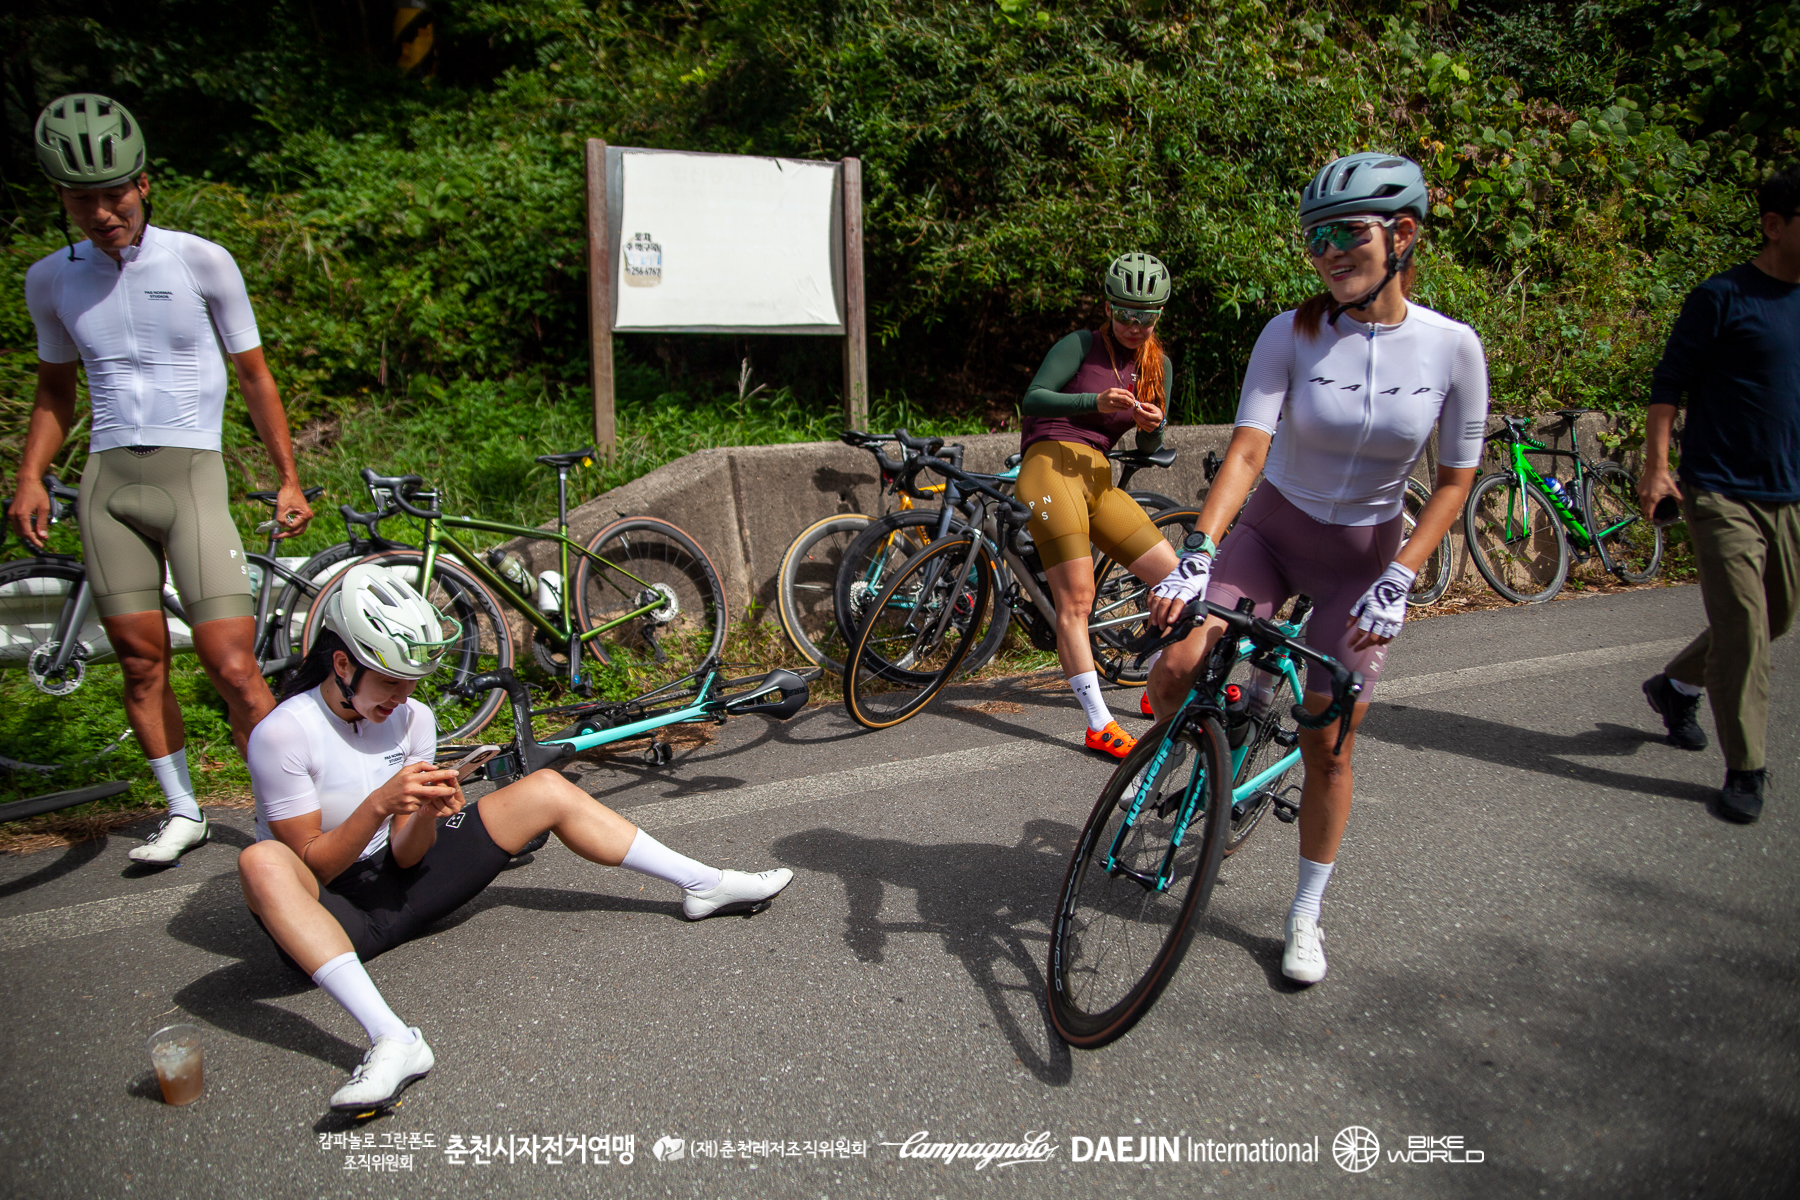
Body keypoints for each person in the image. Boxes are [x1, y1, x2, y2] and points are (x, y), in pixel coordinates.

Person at [238, 564, 795, 1112]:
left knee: (545, 789)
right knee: (261, 861)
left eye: (412, 682)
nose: (402, 697)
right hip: (329, 917)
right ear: (342, 663)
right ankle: (394, 1040)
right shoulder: (284, 733)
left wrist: (423, 813)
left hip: (399, 884)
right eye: (390, 681)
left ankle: (703, 884)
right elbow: (314, 868)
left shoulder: (413, 719)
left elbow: (408, 857)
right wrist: (380, 804)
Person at [1144, 152, 1487, 985]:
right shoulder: (1289, 332)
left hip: (1364, 562)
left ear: (1403, 235)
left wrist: (1403, 574)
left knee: (1329, 744)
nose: (1328, 253)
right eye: (1314, 240)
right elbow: (1248, 450)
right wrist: (1199, 551)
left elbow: (1454, 481)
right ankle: (1182, 747)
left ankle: (1305, 912)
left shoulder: (1453, 348)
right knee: (1179, 660)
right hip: (1273, 532)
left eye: (1347, 234)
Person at [12, 94, 316, 864]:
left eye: (114, 194)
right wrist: (31, 476)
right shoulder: (49, 280)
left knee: (234, 667)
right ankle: (184, 810)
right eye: (82, 199)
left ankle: (293, 819)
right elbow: (55, 391)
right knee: (141, 662)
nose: (101, 213)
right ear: (61, 199)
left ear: (144, 183)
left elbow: (255, 376)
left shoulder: (200, 259)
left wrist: (288, 477)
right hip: (107, 485)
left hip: (192, 478)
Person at [1637, 169, 1800, 825]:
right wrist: (1657, 467)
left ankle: (1676, 685)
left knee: (1775, 617)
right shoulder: (1723, 298)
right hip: (1721, 489)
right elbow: (1668, 385)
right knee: (1745, 628)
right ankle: (1746, 768)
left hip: (1788, 491)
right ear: (1774, 225)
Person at [1017, 252, 1183, 759]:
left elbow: (1151, 445)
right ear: (1108, 308)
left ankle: (1158, 686)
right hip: (1049, 463)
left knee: (1177, 582)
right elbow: (1033, 398)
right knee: (1077, 600)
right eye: (1125, 314)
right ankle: (1098, 723)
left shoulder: (1158, 367)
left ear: (1159, 315)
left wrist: (1153, 427)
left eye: (1145, 317)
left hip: (1097, 477)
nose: (1134, 326)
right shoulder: (1081, 345)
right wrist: (1093, 402)